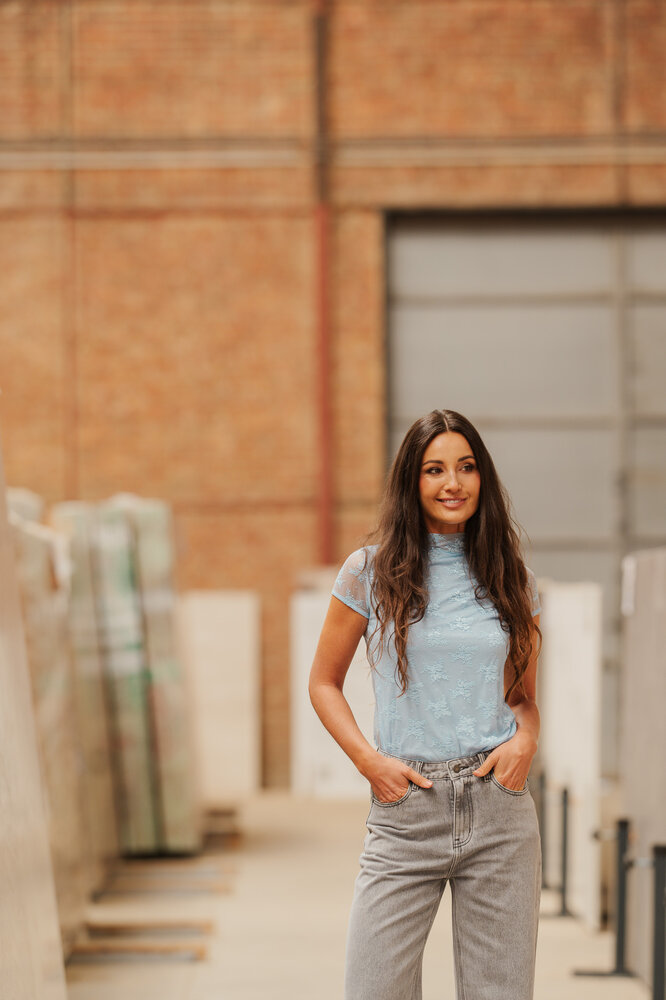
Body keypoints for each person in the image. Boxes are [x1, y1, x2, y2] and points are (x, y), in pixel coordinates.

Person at [308, 408, 543, 1000]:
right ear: (412, 483)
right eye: (434, 469)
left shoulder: (512, 577)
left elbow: (523, 699)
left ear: (482, 478)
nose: (452, 483)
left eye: (465, 467)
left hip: (499, 812)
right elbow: (323, 682)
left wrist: (525, 743)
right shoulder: (369, 573)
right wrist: (371, 762)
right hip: (407, 809)